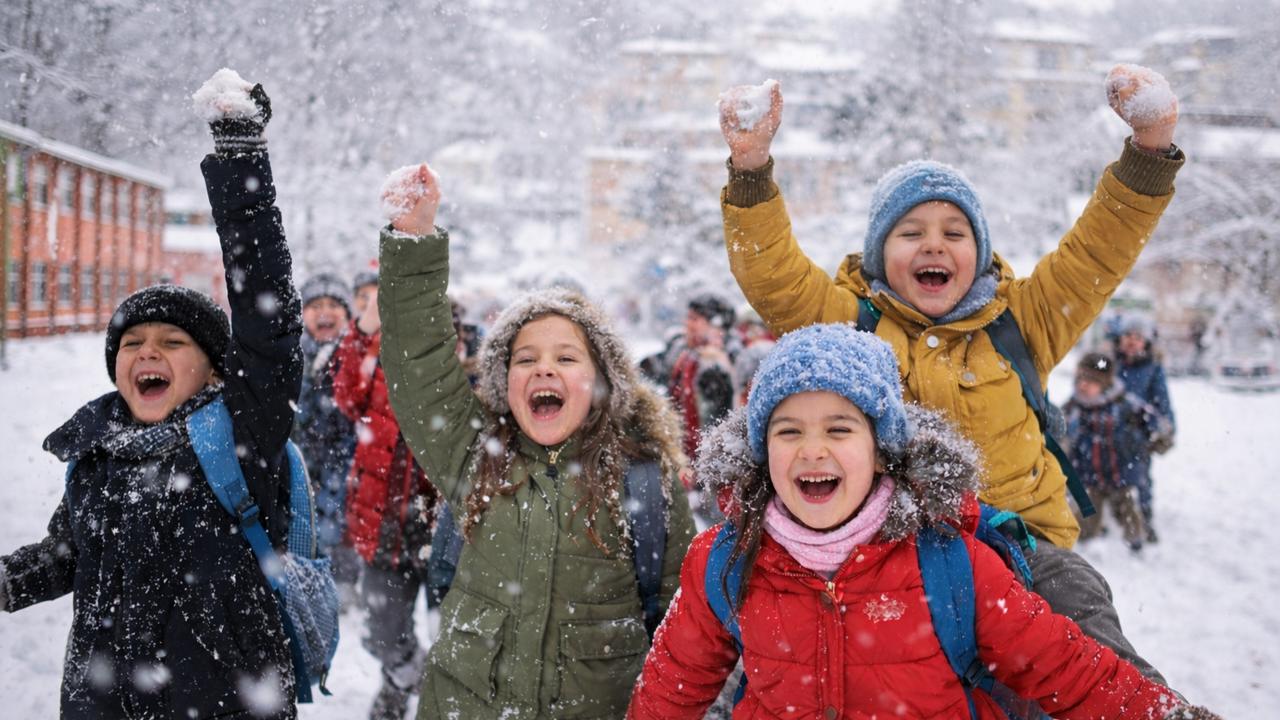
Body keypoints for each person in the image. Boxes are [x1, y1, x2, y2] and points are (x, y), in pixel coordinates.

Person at [715, 64, 1184, 680]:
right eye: (910, 232)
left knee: (1082, 614)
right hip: (889, 553)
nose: (934, 245)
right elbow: (772, 274)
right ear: (880, 255)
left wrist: (1150, 150)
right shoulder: (848, 324)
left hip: (1022, 548)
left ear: (980, 253)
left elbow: (1099, 247)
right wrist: (750, 169)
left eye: (954, 232)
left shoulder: (1025, 320)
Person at [628, 324, 1219, 719]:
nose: (812, 450)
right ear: (762, 452)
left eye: (839, 429)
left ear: (882, 449)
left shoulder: (947, 561)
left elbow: (1069, 668)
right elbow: (668, 692)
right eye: (788, 432)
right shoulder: (724, 561)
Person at [0, 70, 301, 718]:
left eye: (173, 341)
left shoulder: (237, 435)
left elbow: (267, 319)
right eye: (132, 343)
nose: (148, 353)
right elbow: (67, 555)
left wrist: (241, 158)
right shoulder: (99, 451)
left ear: (216, 371)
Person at [375, 163, 697, 717]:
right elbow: (419, 369)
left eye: (566, 358)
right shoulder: (474, 457)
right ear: (504, 383)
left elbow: (686, 637)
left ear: (600, 382)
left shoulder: (646, 483)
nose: (543, 370)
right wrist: (412, 242)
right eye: (526, 359)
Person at [332, 276, 441, 720]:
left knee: (455, 632)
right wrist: (364, 330)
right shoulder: (374, 351)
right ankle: (406, 679)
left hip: (443, 524)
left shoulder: (453, 347)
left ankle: (419, 697)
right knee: (381, 631)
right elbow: (347, 396)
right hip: (382, 521)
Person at [294, 271, 360, 600]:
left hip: (346, 459)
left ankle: (345, 585)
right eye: (315, 305)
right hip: (303, 459)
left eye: (334, 305)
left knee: (341, 521)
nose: (324, 312)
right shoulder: (292, 356)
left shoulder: (358, 355)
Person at [1063, 352, 1169, 552]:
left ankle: (1136, 542)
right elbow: (1058, 432)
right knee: (1087, 516)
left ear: (1104, 384)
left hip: (1120, 475)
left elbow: (1156, 423)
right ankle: (1087, 543)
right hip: (1089, 476)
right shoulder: (1073, 408)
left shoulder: (1125, 405)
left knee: (1127, 513)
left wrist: (1158, 439)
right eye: (1080, 379)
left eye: (1091, 381)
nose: (1083, 385)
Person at [1112, 315, 1176, 541]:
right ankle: (1113, 513)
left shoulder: (1152, 369)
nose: (1132, 341)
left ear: (1146, 342)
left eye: (1138, 337)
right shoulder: (1111, 363)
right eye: (1127, 336)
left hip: (1138, 434)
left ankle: (1145, 517)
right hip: (1108, 430)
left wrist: (1166, 428)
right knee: (1105, 473)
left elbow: (1163, 402)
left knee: (1139, 477)